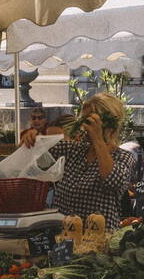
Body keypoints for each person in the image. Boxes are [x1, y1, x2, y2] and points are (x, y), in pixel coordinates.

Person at [21, 93, 137, 230]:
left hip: (98, 242)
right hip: (63, 238)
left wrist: (98, 139)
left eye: (88, 122)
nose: (84, 127)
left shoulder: (123, 157)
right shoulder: (73, 150)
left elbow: (113, 181)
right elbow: (34, 157)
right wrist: (33, 138)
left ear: (107, 124)